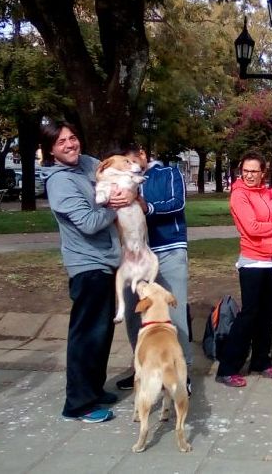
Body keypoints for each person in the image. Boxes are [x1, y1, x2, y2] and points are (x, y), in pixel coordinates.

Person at [40, 120, 134, 423]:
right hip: (87, 265)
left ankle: (94, 389)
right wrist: (115, 205)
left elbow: (117, 176)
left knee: (102, 332)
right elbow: (90, 223)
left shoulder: (89, 164)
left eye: (73, 138)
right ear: (51, 150)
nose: (70, 145)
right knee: (86, 336)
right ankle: (78, 405)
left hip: (107, 261)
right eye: (61, 142)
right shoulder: (59, 183)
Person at [112, 144, 192, 394]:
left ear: (143, 156)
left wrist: (144, 204)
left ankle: (181, 372)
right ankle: (142, 369)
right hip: (133, 255)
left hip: (168, 249)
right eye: (122, 164)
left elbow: (177, 203)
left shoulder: (168, 173)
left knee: (175, 313)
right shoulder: (119, 182)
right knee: (135, 314)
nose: (128, 168)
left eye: (130, 161)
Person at [215, 151, 272, 387]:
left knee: (267, 313)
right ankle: (227, 368)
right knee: (248, 315)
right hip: (253, 261)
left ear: (262, 173)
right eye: (245, 171)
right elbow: (252, 227)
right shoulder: (239, 195)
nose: (248, 175)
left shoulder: (266, 193)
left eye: (253, 171)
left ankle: (260, 360)